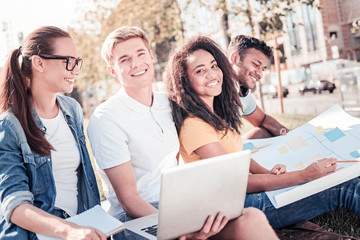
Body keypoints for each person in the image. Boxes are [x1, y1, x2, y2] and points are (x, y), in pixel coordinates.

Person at [87, 26, 278, 240]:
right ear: (113, 70)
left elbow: (209, 91)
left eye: (140, 54)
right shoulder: (106, 118)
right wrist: (182, 232)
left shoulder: (167, 104)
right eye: (124, 59)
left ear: (151, 56)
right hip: (136, 222)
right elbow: (129, 201)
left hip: (180, 206)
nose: (136, 64)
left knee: (252, 218)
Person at [165, 35, 360, 229]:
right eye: (200, 70)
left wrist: (269, 173)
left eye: (214, 66)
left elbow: (238, 157)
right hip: (235, 208)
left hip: (243, 196)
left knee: (338, 177)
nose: (212, 74)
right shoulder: (194, 125)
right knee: (342, 185)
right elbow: (237, 181)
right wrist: (305, 175)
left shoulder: (216, 114)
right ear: (185, 81)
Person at [0, 26, 105, 240]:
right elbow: (15, 205)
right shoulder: (9, 126)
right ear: (39, 63)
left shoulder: (72, 110)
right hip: (41, 234)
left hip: (83, 224)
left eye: (78, 62)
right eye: (69, 61)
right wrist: (69, 231)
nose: (76, 70)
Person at [227, 35, 289, 139]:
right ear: (234, 58)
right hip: (214, 152)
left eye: (263, 69)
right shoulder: (212, 89)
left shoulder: (243, 93)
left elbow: (262, 119)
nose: (260, 75)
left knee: (264, 133)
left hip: (230, 146)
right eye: (255, 64)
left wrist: (285, 132)